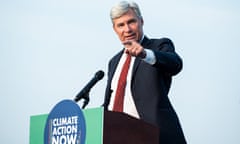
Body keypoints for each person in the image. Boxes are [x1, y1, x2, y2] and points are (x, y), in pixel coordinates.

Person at [103, 1, 186, 143]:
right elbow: (111, 102)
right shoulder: (114, 61)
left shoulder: (158, 46)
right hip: (116, 136)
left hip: (153, 135)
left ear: (141, 21)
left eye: (131, 22)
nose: (127, 29)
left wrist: (145, 54)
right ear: (114, 29)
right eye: (121, 25)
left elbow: (175, 64)